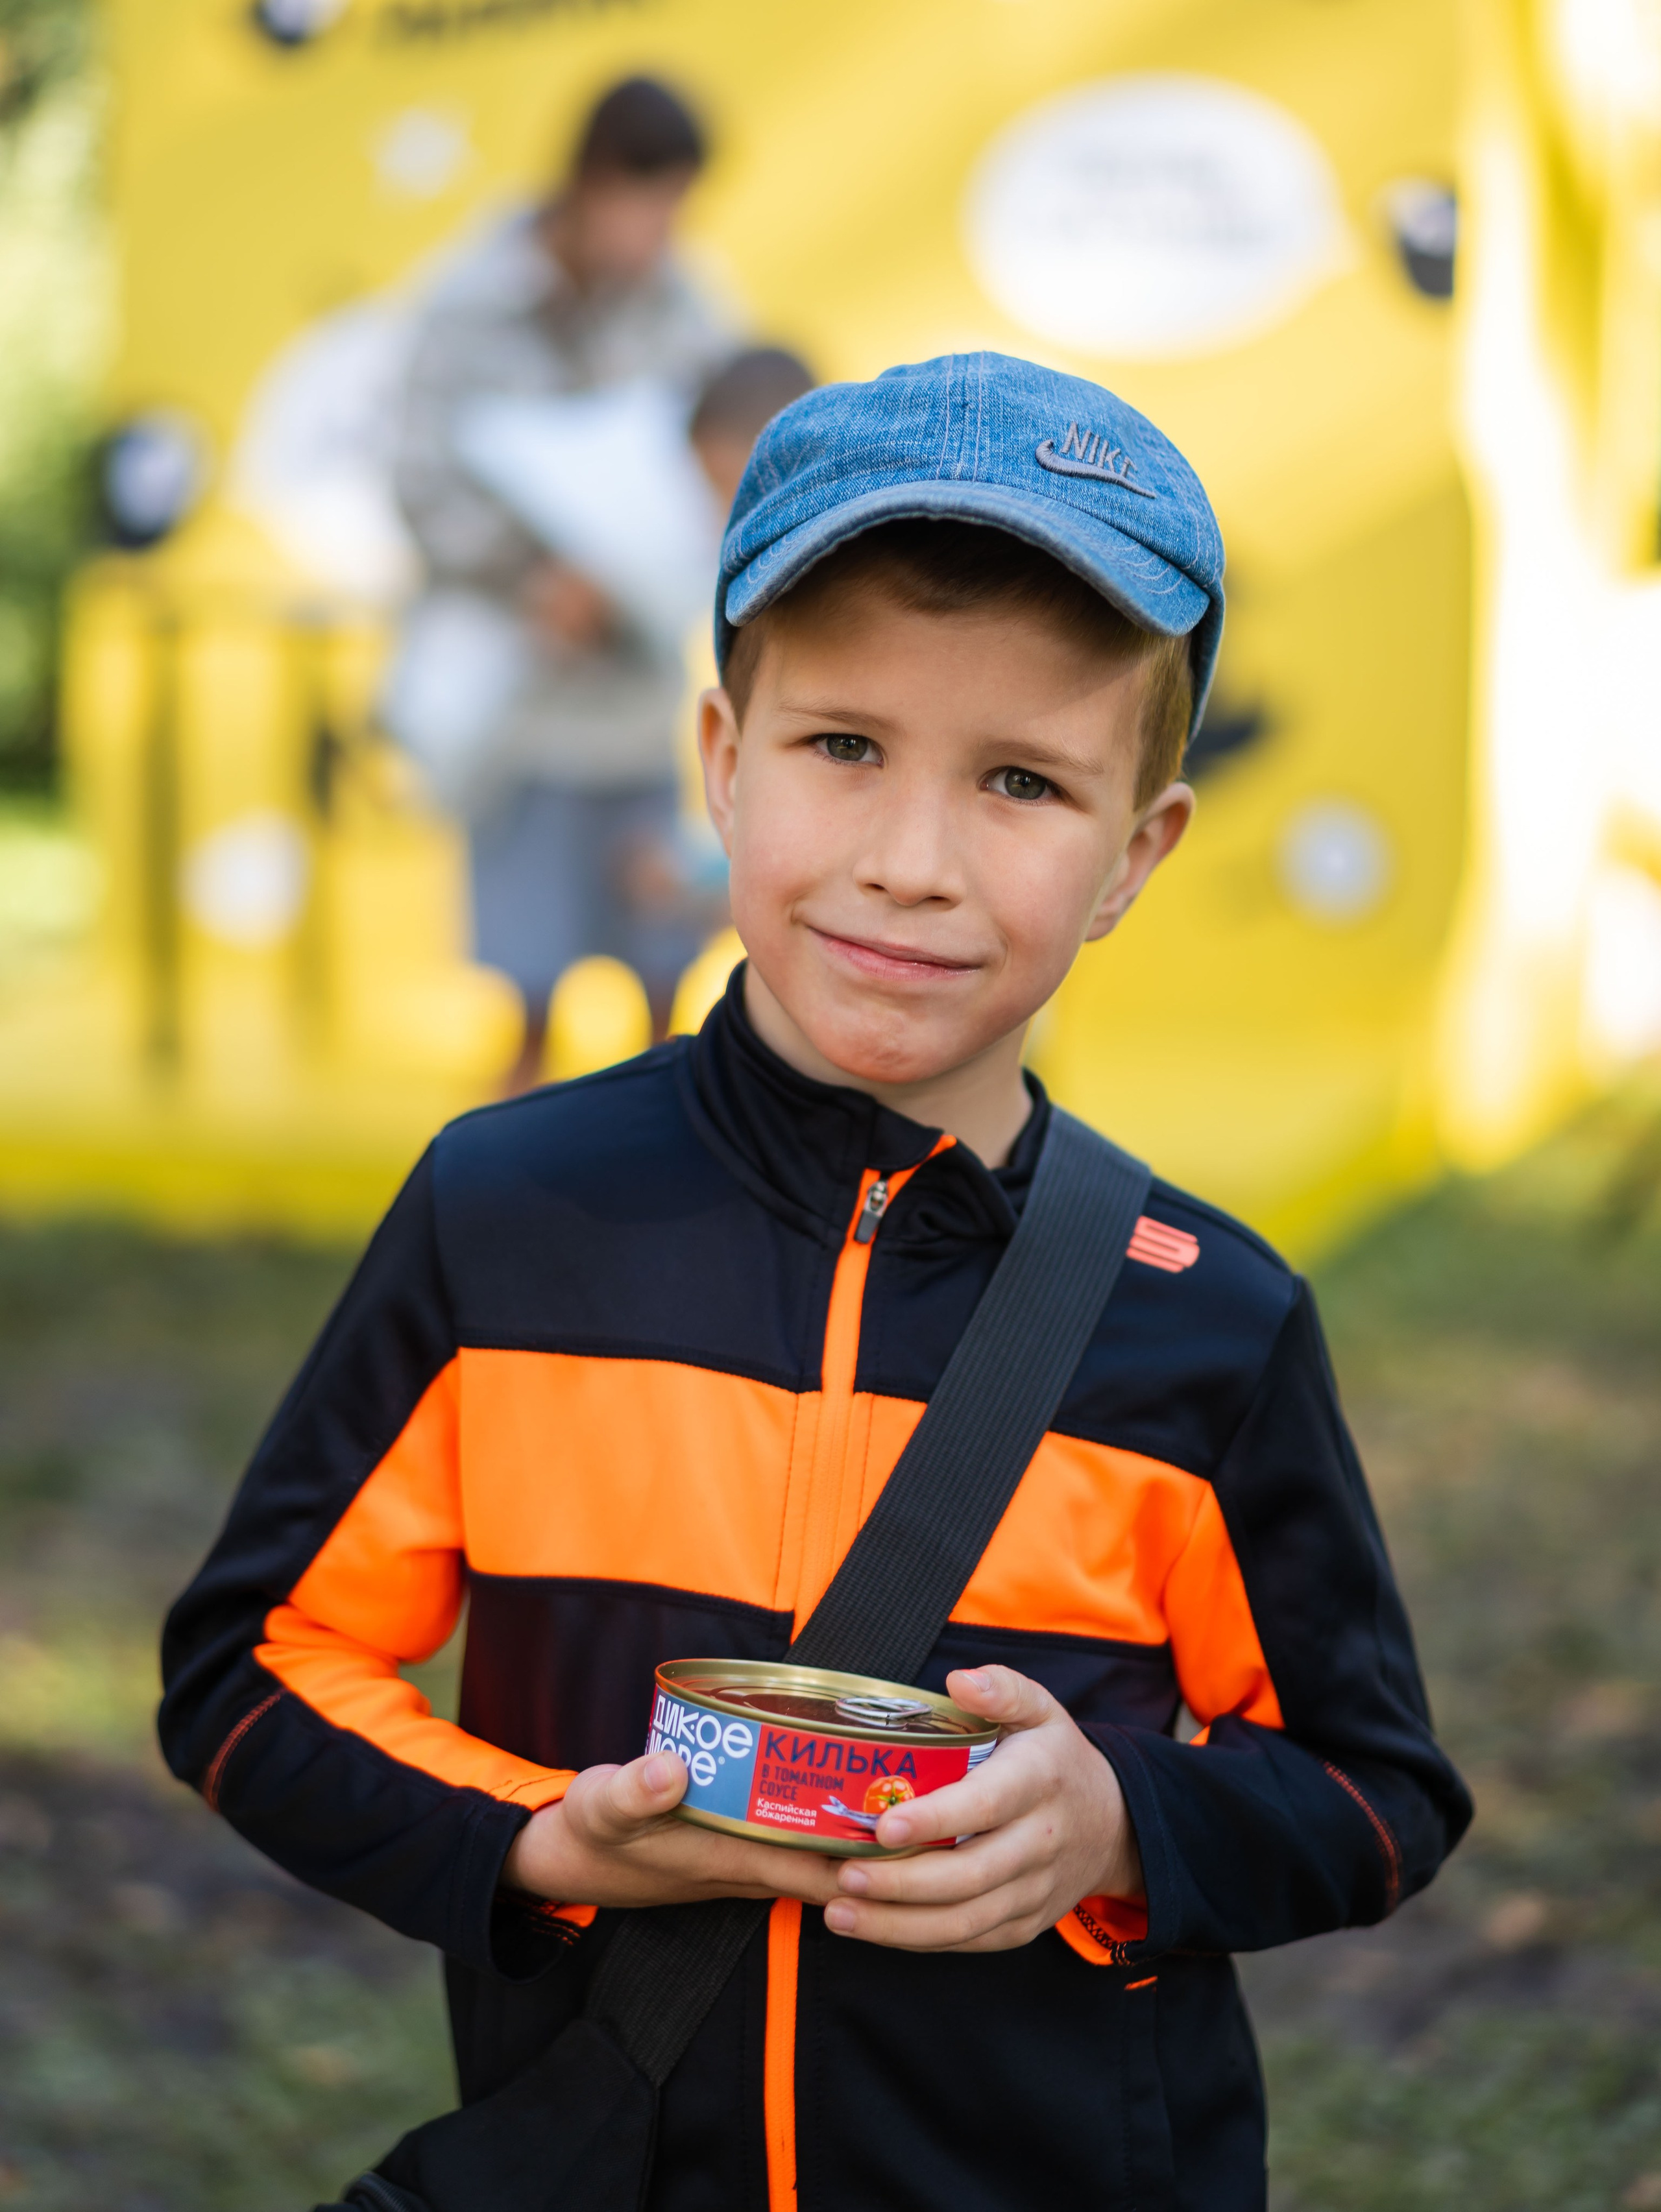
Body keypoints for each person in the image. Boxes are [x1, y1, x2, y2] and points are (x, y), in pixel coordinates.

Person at [159, 352, 1471, 2212]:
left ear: (1133, 856)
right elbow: (252, 1676)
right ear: (719, 761)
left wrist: (1118, 1824)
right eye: (843, 746)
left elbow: (1375, 1794)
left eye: (1023, 781)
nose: (910, 863)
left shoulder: (1212, 1315)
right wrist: (541, 1843)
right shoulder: (507, 1212)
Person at [390, 76, 733, 1083]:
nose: (661, 231)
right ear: (589, 180)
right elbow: (416, 477)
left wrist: (631, 566)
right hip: (517, 703)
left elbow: (729, 448)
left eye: (678, 206)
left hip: (632, 705)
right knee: (528, 990)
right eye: (649, 201)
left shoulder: (689, 300)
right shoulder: (463, 302)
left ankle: (669, 1201)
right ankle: (517, 1213)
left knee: (664, 982)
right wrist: (533, 578)